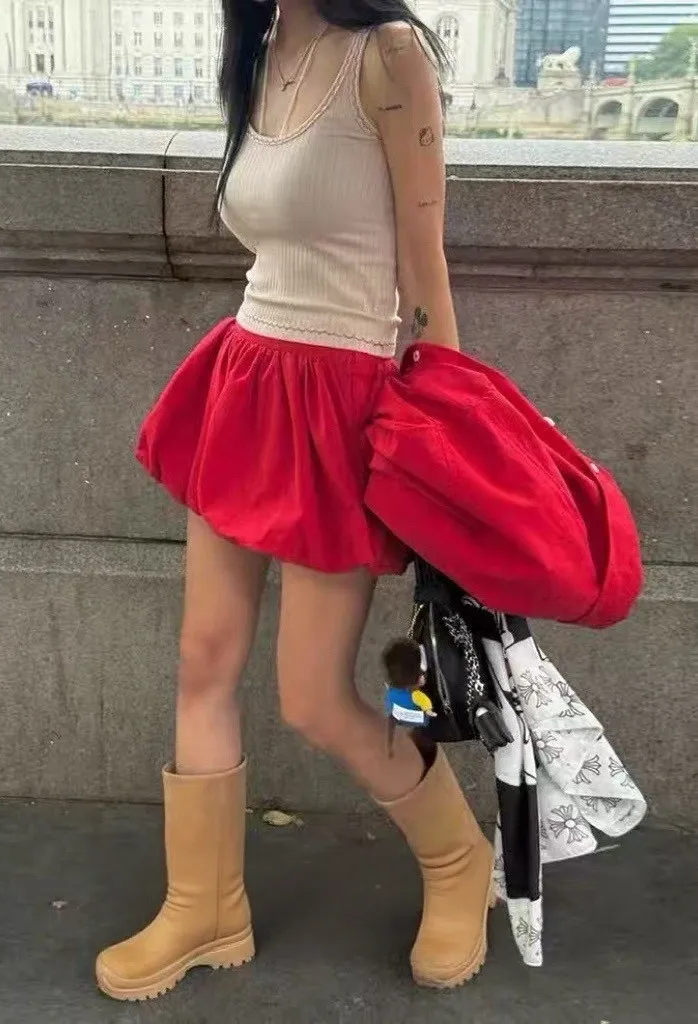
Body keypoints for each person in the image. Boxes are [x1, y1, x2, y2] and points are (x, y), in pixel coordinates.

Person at [95, 0, 494, 1001]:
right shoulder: (260, 44)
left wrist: (452, 433)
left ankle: (458, 859)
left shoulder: (387, 54)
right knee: (202, 660)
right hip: (246, 381)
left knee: (313, 696)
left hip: (343, 400)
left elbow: (425, 262)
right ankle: (205, 909)